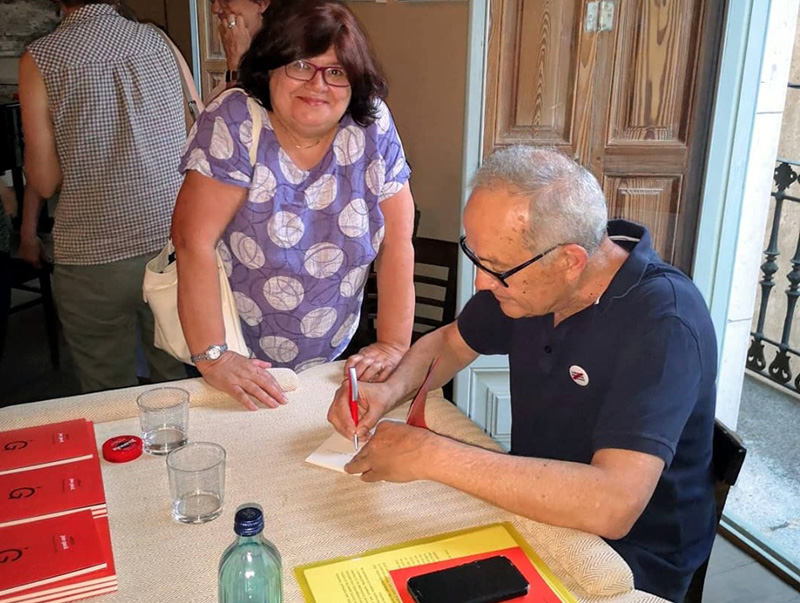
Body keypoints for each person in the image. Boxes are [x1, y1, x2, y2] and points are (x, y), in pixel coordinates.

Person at [328, 146, 717, 602]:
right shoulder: (534, 282)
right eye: (475, 256)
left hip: (629, 560)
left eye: (495, 270)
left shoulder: (663, 322)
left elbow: (614, 504)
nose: (481, 284)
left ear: (570, 261)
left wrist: (433, 455)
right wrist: (388, 390)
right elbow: (452, 342)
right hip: (537, 515)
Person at [171, 0, 416, 411]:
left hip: (337, 352)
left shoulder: (372, 125)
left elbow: (398, 242)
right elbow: (191, 240)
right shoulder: (235, 120)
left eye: (336, 72)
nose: (318, 84)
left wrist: (392, 345)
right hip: (235, 352)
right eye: (300, 65)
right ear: (270, 68)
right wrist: (214, 357)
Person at [18, 0, 188, 392]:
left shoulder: (41, 58)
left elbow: (44, 181)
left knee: (106, 389)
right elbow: (189, 130)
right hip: (169, 242)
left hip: (93, 255)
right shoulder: (156, 40)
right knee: (174, 378)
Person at [209, 0, 269, 91]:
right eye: (212, 1)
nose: (215, 9)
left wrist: (236, 64)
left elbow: (239, 103)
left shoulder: (282, 58)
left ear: (263, 3)